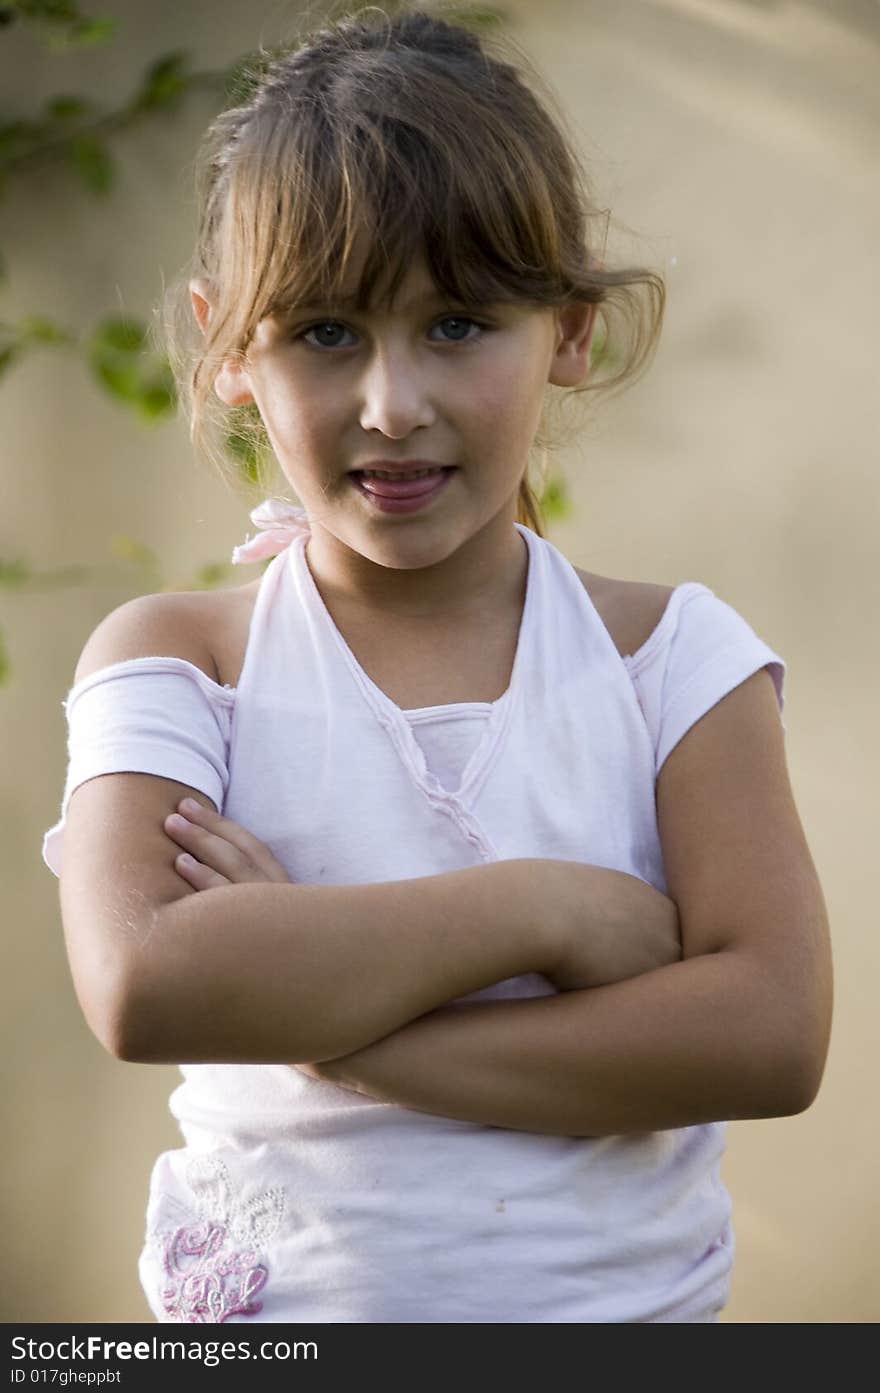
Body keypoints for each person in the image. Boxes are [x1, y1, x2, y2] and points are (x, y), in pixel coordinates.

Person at [42, 5, 832, 1324]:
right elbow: (143, 982)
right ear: (231, 347)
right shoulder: (184, 660)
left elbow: (767, 1034)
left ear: (568, 333)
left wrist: (318, 1008)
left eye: (458, 324)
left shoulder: (674, 661)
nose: (391, 403)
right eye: (325, 332)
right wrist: (548, 912)